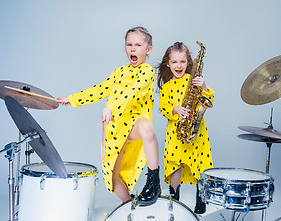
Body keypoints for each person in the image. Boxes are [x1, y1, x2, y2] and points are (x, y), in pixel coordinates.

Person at [56, 26, 161, 206]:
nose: (133, 49)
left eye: (138, 45)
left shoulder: (147, 72)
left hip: (134, 124)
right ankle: (131, 206)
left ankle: (153, 182)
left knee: (146, 127)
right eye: (129, 45)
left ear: (148, 49)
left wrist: (110, 107)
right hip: (114, 129)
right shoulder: (119, 72)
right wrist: (72, 99)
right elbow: (99, 90)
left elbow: (132, 92)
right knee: (113, 181)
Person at [157, 41, 214, 214]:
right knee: (175, 163)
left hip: (196, 131)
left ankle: (201, 197)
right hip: (176, 132)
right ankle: (174, 196)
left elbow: (209, 99)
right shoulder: (166, 87)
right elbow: (163, 108)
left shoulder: (194, 81)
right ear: (168, 63)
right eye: (174, 62)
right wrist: (175, 109)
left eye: (182, 61)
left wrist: (203, 86)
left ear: (189, 62)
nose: (179, 66)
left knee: (199, 163)